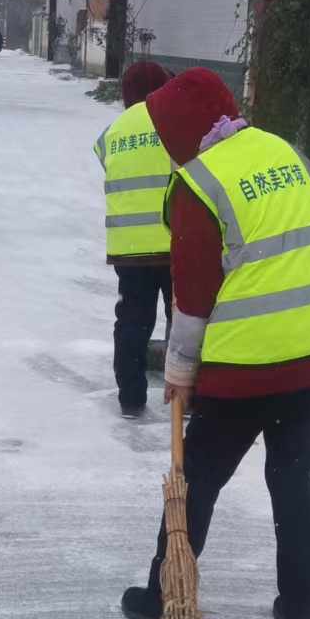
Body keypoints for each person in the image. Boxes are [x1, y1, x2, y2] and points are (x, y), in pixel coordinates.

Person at [119, 69, 310, 619]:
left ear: (182, 130)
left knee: (197, 477)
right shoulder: (282, 150)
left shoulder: (198, 184)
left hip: (249, 365)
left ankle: (161, 599)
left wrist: (180, 373)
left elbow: (194, 296)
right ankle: (300, 608)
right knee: (293, 474)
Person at [94, 60, 175, 417]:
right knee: (186, 319)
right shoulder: (176, 122)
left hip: (128, 249)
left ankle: (130, 397)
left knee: (133, 321)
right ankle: (188, 397)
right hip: (178, 243)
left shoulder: (112, 131)